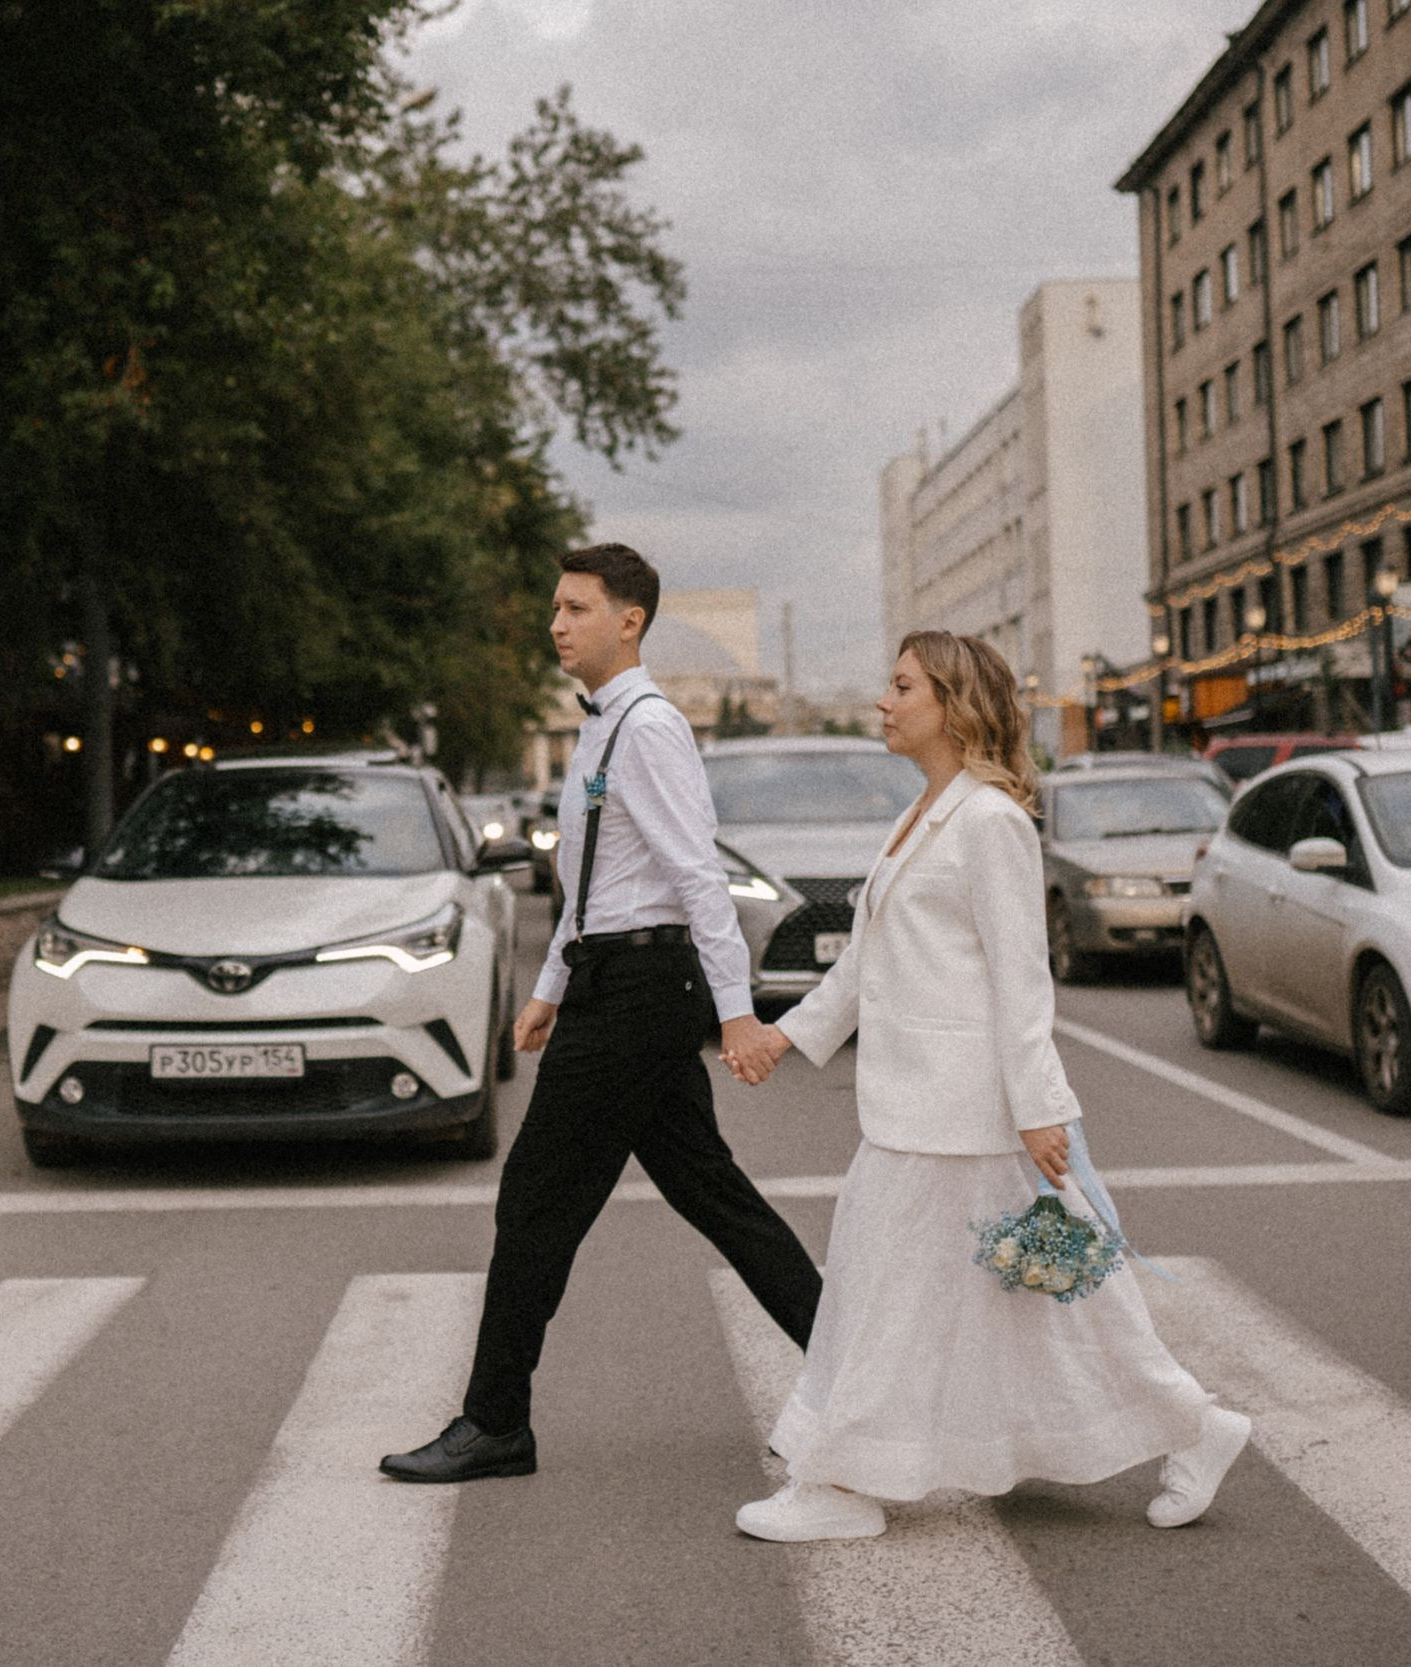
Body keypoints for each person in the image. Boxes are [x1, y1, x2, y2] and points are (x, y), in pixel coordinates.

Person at [724, 631, 1249, 1541]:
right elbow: (865, 959)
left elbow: (1022, 979)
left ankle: (840, 1480)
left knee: (892, 1290)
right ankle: (1194, 1426)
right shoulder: (923, 813)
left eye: (902, 687)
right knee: (1035, 1298)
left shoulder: (991, 821)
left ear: (954, 704)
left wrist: (1040, 1110)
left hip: (964, 1111)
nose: (883, 702)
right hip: (922, 1107)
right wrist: (785, 1036)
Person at [380, 543, 822, 1484]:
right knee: (715, 1194)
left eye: (576, 608)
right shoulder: (603, 729)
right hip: (615, 983)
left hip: (638, 994)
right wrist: (549, 987)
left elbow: (697, 876)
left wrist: (737, 1014)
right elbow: (588, 887)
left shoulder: (650, 727)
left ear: (630, 620)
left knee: (534, 1199)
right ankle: (858, 1375)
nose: (557, 624)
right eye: (556, 607)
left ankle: (495, 1421)